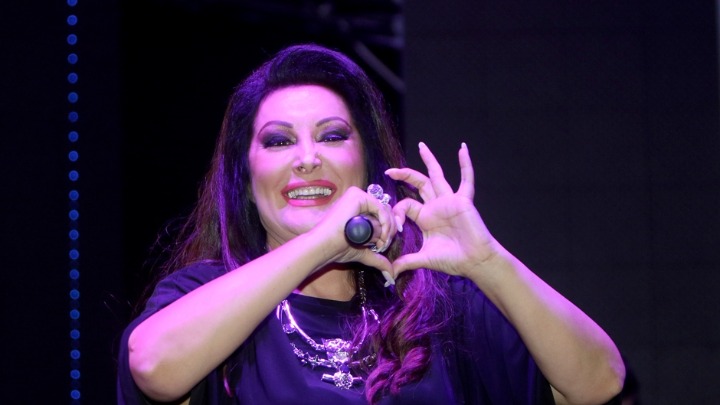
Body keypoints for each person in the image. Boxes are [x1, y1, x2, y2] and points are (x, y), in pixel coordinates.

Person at [117, 43, 625, 405]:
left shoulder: (436, 305)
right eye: (279, 141)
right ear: (246, 179)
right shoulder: (206, 294)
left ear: (367, 163)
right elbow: (153, 367)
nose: (307, 159)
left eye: (332, 136)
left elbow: (600, 382)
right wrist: (322, 243)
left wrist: (488, 262)